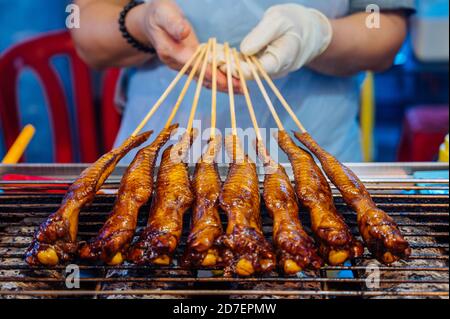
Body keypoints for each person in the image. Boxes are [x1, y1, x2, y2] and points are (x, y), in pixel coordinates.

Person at [72, 0, 415, 163]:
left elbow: (384, 25)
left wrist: (320, 34)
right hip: (159, 166)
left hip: (314, 166)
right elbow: (86, 27)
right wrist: (142, 22)